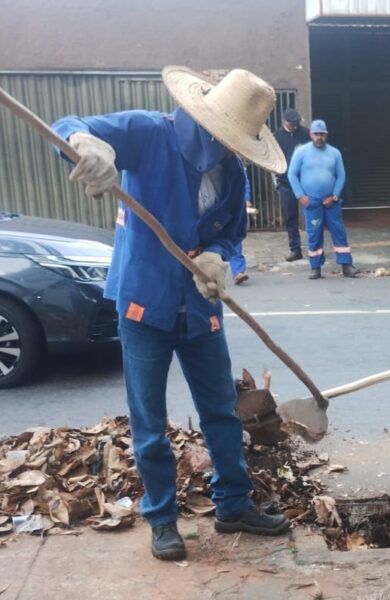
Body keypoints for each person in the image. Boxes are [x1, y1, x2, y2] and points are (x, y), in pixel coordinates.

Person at [53, 67, 292, 561]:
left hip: (200, 308)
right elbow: (68, 124)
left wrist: (219, 256)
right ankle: (162, 519)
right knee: (150, 422)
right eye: (227, 140)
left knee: (221, 411)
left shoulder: (232, 172)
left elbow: (231, 232)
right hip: (145, 306)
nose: (230, 150)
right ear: (207, 123)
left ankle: (232, 505)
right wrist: (86, 146)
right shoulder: (148, 134)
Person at [287, 119, 357, 280]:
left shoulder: (335, 153)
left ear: (326, 135)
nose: (319, 137)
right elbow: (292, 174)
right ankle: (315, 267)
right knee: (314, 234)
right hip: (311, 201)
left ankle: (347, 265)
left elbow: (341, 176)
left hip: (331, 201)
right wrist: (300, 196)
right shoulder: (301, 152)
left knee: (339, 232)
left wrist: (335, 196)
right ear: (311, 135)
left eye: (322, 134)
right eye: (316, 134)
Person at [273, 108, 309, 262]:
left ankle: (315, 248)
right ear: (284, 121)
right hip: (286, 183)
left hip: (305, 181)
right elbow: (273, 159)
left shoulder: (305, 133)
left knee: (312, 215)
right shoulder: (276, 136)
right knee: (291, 218)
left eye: (296, 124)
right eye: (291, 124)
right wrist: (277, 180)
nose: (294, 126)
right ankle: (295, 249)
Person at [230, 170, 252, 285]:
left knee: (235, 237)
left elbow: (244, 180)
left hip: (234, 203)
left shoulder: (236, 163)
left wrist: (246, 198)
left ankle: (238, 271)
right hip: (215, 204)